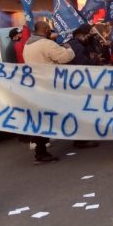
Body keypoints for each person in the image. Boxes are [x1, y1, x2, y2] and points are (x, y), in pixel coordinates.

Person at [23, 21, 75, 162]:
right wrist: (69, 48)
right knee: (71, 111)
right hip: (51, 85)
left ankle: (40, 150)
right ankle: (79, 139)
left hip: (36, 86)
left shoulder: (28, 44)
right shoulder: (46, 44)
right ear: (46, 30)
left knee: (42, 118)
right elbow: (65, 57)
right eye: (49, 30)